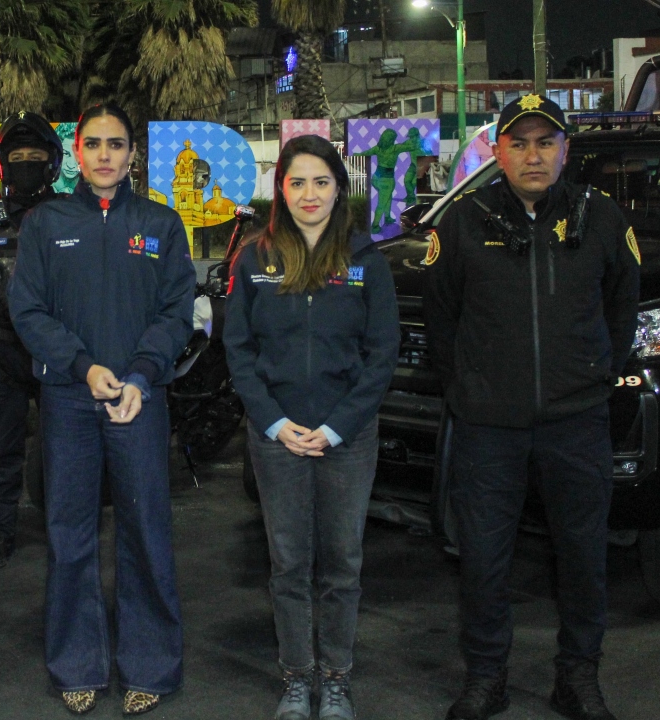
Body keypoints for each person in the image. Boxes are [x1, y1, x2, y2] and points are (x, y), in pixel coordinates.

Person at [423, 95, 640, 720]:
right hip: (489, 427)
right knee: (484, 561)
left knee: (583, 556)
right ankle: (486, 677)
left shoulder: (600, 217)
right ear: (498, 153)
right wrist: (465, 387)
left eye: (546, 142)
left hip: (577, 423)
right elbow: (442, 315)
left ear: (565, 151)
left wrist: (600, 371)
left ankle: (578, 677)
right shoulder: (463, 221)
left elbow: (623, 301)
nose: (533, 155)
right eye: (519, 143)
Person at [8, 104, 194, 716]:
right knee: (69, 534)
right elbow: (29, 311)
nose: (106, 155)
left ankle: (150, 665)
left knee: (146, 533)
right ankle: (77, 663)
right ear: (77, 153)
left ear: (133, 153)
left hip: (141, 400)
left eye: (117, 144)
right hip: (68, 398)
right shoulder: (44, 223)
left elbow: (176, 311)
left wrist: (141, 374)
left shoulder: (162, 225)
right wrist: (83, 368)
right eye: (94, 144)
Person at [224, 136, 400, 720]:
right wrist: (274, 422)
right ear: (281, 190)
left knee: (342, 564)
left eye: (320, 182)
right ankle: (297, 680)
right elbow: (239, 350)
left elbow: (382, 356)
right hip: (276, 439)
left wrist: (336, 428)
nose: (309, 194)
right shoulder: (255, 258)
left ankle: (337, 679)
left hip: (346, 440)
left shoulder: (366, 261)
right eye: (297, 182)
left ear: (338, 188)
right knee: (290, 565)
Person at [0, 110, 65, 570]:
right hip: (2, 348)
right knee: (0, 446)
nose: (26, 163)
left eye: (35, 155)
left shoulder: (70, 215)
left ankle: (65, 529)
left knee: (64, 447)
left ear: (52, 162)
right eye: (17, 156)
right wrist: (7, 307)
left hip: (58, 351)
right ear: (4, 163)